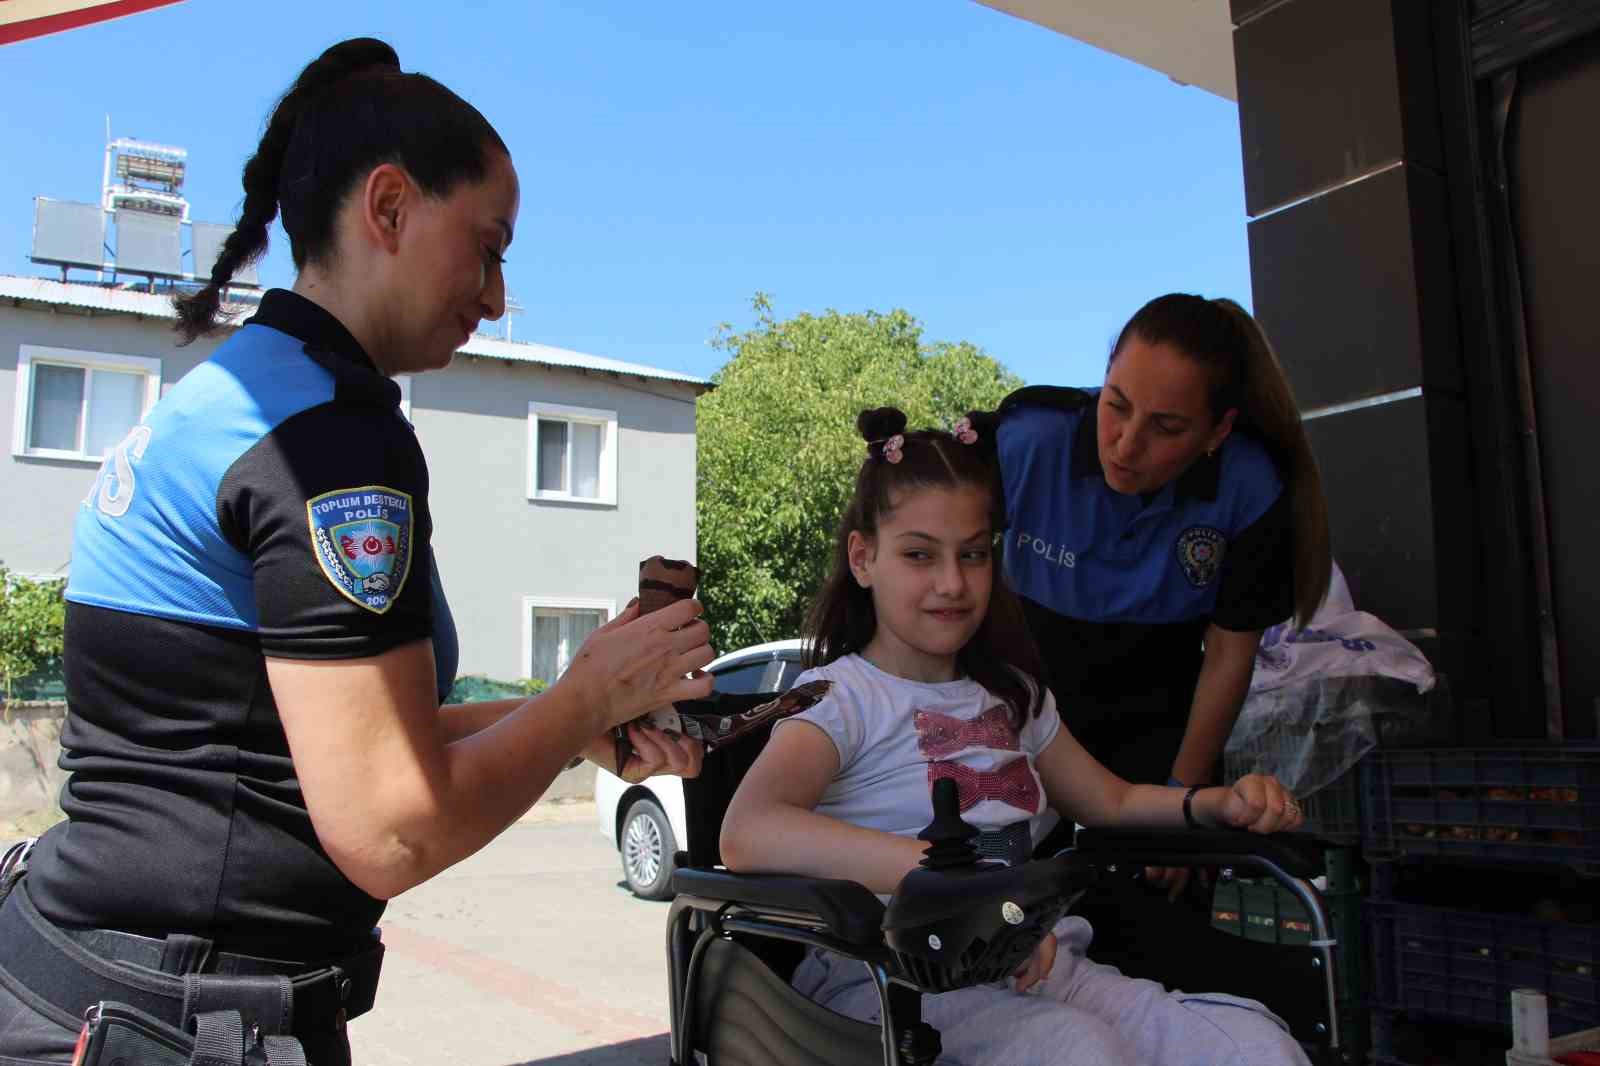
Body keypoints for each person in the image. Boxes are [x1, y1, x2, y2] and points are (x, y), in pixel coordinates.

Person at [0, 39, 711, 1066]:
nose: (497, 294)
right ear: (388, 209)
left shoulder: (243, 392)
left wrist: (573, 720)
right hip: (169, 1014)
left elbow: (335, 737)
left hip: (91, 983)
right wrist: (579, 701)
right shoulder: (327, 439)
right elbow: (389, 827)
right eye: (488, 244)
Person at [719, 408, 1310, 1066]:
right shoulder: (843, 698)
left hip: (1039, 966)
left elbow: (1109, 802)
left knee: (1255, 1047)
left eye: (973, 553)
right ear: (864, 558)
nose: (952, 582)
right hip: (886, 981)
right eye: (919, 554)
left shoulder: (1013, 697)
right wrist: (962, 887)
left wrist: (1210, 803)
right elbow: (748, 832)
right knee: (1076, 1051)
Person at [989, 294, 1331, 978]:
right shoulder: (1029, 437)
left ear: (1216, 432)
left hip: (1161, 723)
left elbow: (1229, 657)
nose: (1125, 442)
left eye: (1166, 426)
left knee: (1150, 947)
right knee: (1009, 941)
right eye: (1115, 404)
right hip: (1021, 715)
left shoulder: (1251, 487)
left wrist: (1180, 805)